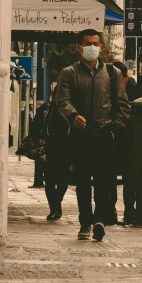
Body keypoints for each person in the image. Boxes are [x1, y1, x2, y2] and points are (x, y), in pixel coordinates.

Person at [56, 29, 130, 242]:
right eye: (88, 44)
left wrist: (114, 127)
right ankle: (84, 222)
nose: (92, 48)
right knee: (82, 182)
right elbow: (63, 100)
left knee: (104, 181)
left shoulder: (112, 73)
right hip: (80, 135)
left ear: (101, 47)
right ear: (79, 47)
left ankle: (99, 220)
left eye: (96, 44)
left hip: (104, 133)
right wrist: (73, 116)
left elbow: (122, 104)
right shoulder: (69, 73)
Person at [109, 61, 142, 226]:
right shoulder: (110, 87)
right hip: (114, 138)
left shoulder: (137, 90)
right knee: (110, 175)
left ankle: (130, 211)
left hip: (131, 141)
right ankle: (110, 210)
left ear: (125, 77)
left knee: (130, 178)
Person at [44, 85, 71, 221]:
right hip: (50, 148)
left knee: (62, 180)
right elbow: (38, 125)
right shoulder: (47, 108)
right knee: (49, 180)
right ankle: (54, 208)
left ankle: (56, 206)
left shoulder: (71, 110)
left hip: (66, 148)